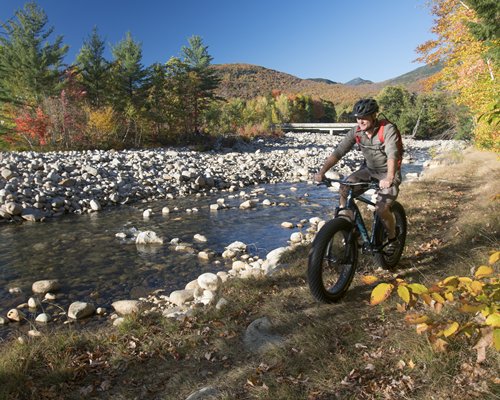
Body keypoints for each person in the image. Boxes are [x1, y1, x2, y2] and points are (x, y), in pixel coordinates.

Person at [314, 98, 402, 253]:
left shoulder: (387, 129)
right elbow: (339, 151)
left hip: (388, 171)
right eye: (358, 117)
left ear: (374, 115)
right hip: (368, 170)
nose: (360, 121)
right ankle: (351, 229)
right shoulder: (356, 131)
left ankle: (393, 237)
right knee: (345, 188)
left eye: (364, 117)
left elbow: (392, 153)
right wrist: (322, 172)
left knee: (381, 209)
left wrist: (389, 178)